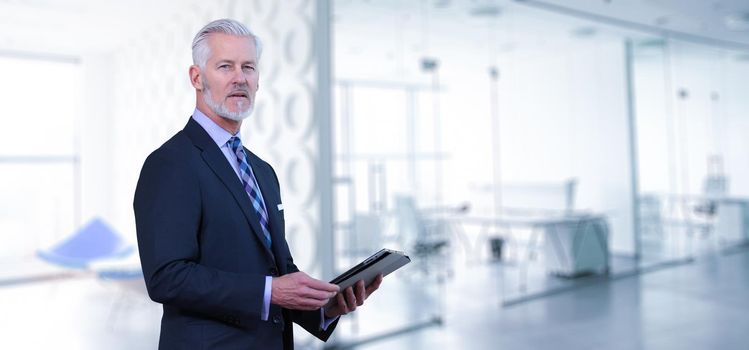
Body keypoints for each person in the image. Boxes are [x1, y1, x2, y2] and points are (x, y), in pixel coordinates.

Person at [134, 18, 383, 350]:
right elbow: (167, 277)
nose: (240, 78)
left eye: (248, 67)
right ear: (197, 77)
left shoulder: (262, 171)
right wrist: (269, 291)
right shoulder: (170, 164)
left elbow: (280, 271)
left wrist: (325, 307)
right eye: (226, 66)